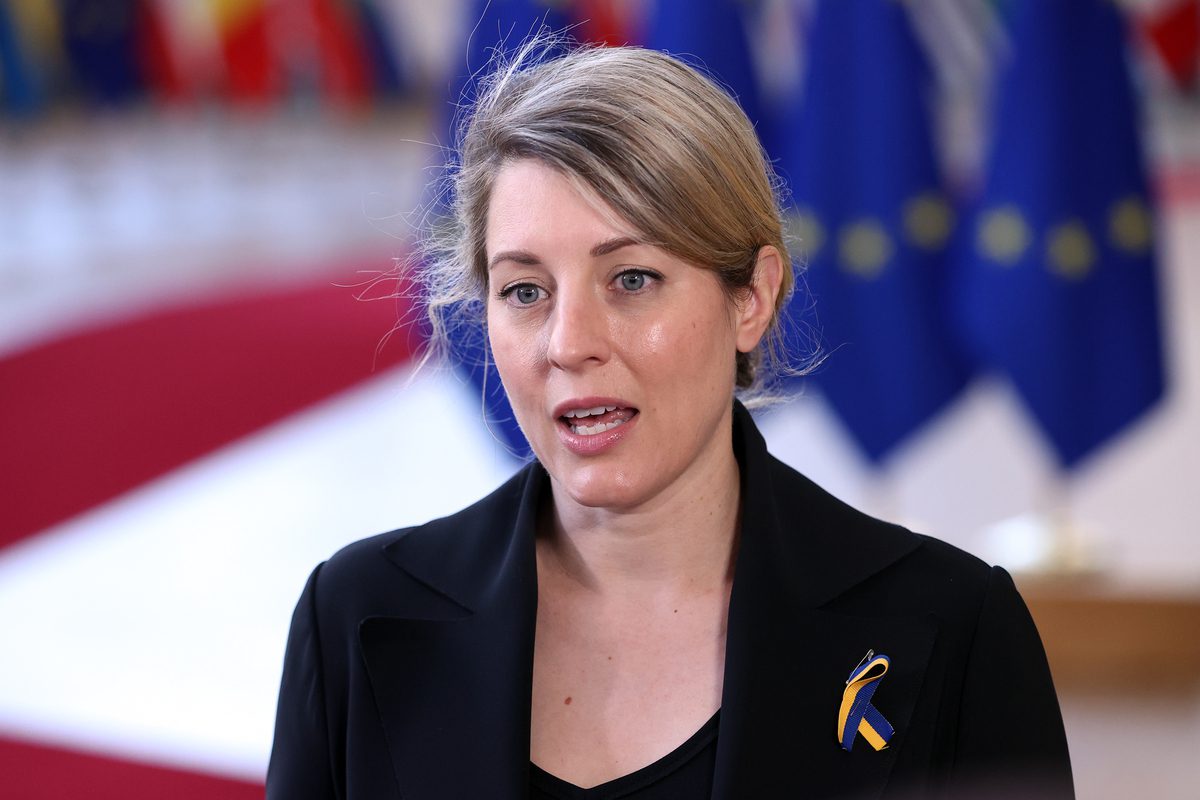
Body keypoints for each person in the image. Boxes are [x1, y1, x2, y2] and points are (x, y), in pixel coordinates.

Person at [267, 43, 1073, 800]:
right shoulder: (352, 618)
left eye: (632, 279)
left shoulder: (957, 628)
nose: (569, 343)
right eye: (524, 290)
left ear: (751, 297)